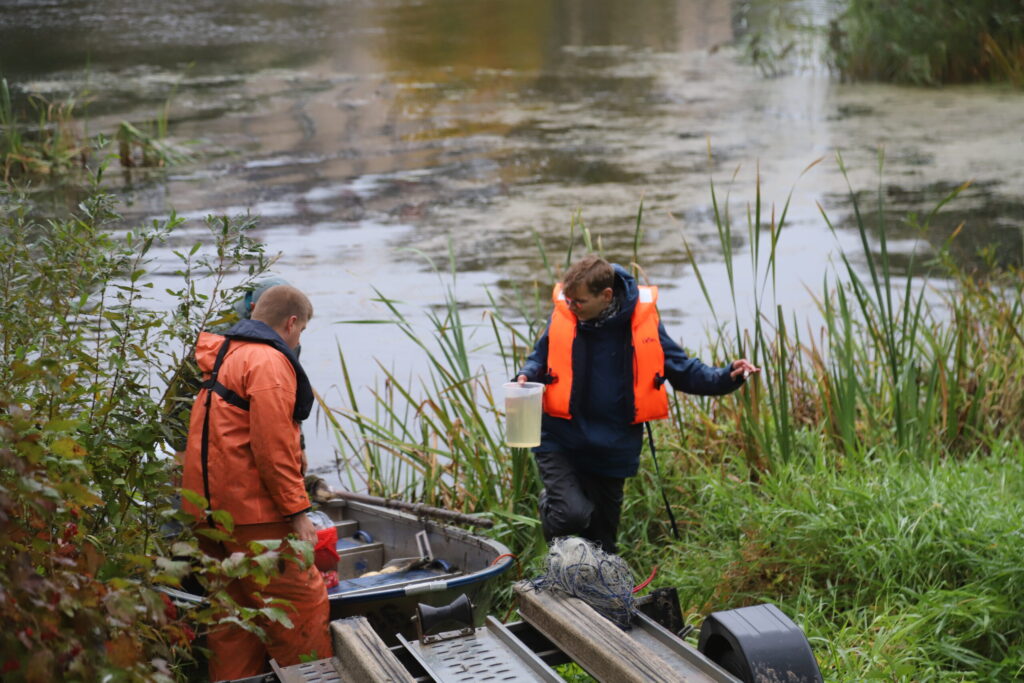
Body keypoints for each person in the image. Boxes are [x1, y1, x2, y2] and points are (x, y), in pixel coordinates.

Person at [516, 256, 759, 554]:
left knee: (603, 546)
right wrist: (525, 375)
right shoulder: (565, 316)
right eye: (568, 300)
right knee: (570, 514)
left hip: (614, 445)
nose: (571, 307)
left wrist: (727, 376)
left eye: (579, 301)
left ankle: (586, 580)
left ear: (606, 296)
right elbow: (539, 358)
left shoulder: (643, 324)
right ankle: (553, 523)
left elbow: (684, 372)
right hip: (561, 438)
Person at [180, 284, 330, 680]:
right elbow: (272, 448)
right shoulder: (268, 362)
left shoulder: (226, 354)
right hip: (254, 519)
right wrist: (298, 511)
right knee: (300, 611)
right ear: (291, 323)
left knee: (233, 622)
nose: (299, 340)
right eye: (301, 331)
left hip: (208, 516)